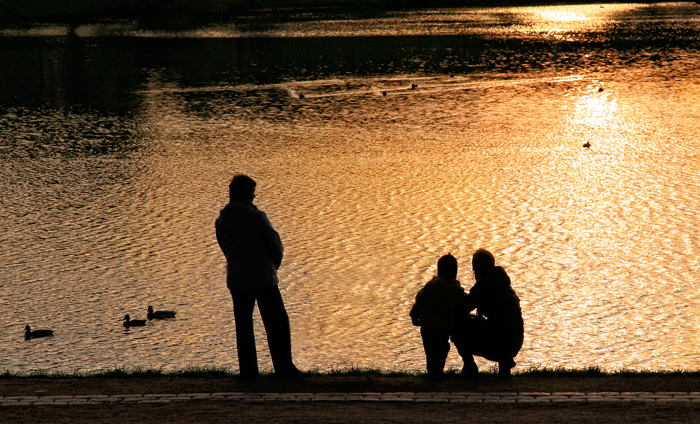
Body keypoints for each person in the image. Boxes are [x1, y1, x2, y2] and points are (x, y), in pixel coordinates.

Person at [215, 174, 301, 378]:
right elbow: (275, 245)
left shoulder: (221, 219)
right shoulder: (256, 217)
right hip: (262, 278)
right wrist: (273, 267)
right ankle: (284, 368)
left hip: (236, 279)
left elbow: (224, 247)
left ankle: (248, 372)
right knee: (277, 322)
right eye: (253, 193)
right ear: (246, 194)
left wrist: (236, 265)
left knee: (243, 326)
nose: (254, 197)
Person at [451, 248, 523, 378]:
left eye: (474, 265)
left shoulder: (484, 285)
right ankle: (505, 364)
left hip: (501, 341)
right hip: (515, 341)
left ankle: (469, 366)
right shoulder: (503, 283)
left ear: (477, 266)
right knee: (498, 324)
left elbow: (462, 308)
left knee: (456, 323)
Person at [409, 254, 466, 379]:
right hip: (444, 327)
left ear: (438, 270)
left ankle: (432, 371)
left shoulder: (431, 286)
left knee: (430, 350)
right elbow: (464, 304)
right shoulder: (457, 290)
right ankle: (438, 370)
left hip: (427, 326)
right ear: (455, 272)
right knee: (442, 349)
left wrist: (414, 315)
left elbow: (420, 300)